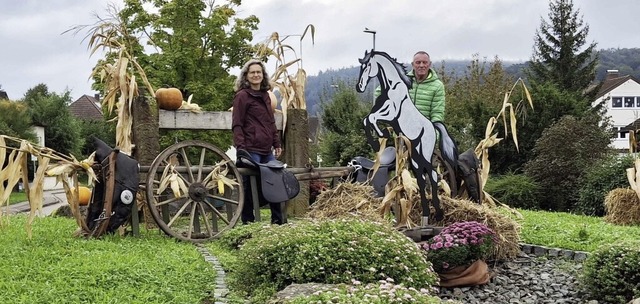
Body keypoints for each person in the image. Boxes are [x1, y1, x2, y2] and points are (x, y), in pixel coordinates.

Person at [231, 59, 284, 225]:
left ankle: (278, 220)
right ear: (246, 76)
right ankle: (248, 221)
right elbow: (237, 124)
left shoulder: (266, 96)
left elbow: (270, 122)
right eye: (252, 72)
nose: (256, 75)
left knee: (275, 178)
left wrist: (277, 144)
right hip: (250, 148)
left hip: (266, 149)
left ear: (263, 76)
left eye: (258, 72)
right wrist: (241, 148)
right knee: (248, 184)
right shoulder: (242, 96)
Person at [408, 51, 446, 122]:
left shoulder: (437, 86)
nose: (421, 65)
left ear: (429, 64)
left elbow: (437, 113)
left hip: (424, 131)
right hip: (401, 131)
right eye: (418, 62)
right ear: (412, 65)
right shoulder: (403, 81)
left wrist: (435, 131)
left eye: (425, 62)